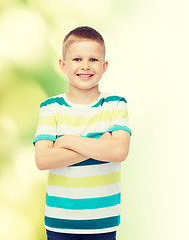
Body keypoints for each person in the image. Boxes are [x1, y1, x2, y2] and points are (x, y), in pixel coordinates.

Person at [33, 26, 131, 240]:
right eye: (77, 59)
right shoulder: (50, 107)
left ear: (104, 66)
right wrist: (101, 143)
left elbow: (119, 152)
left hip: (103, 223)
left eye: (93, 60)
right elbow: (43, 159)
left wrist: (66, 141)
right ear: (63, 65)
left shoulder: (115, 105)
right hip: (60, 222)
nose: (85, 66)